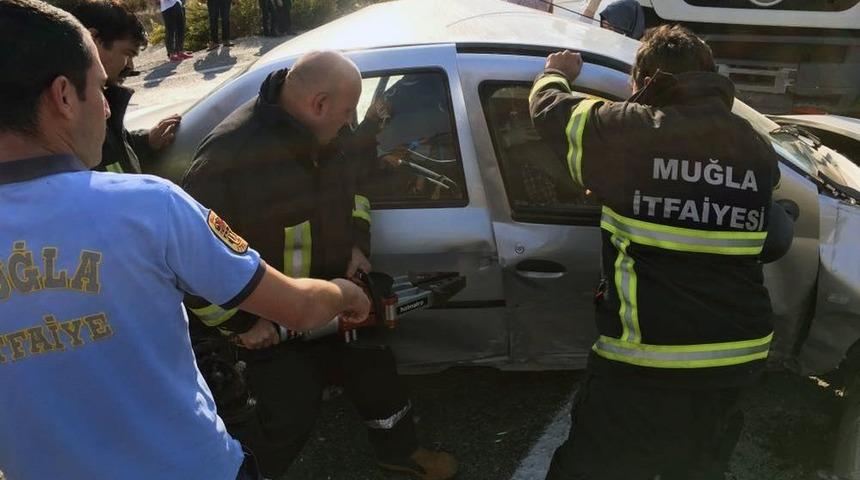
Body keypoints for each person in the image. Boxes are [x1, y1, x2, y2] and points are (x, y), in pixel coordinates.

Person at [0, 3, 369, 479]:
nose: (108, 108)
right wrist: (346, 292)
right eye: (102, 89)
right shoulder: (148, 206)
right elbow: (298, 308)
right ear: (64, 96)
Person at [529, 26, 793, 479]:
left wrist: (554, 73)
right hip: (737, 357)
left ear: (644, 80)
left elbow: (550, 111)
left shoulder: (628, 131)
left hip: (647, 365)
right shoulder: (755, 146)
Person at [181, 51, 459, 480]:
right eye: (347, 111)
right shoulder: (232, 156)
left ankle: (400, 453)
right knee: (289, 412)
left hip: (334, 296)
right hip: (273, 319)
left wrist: (357, 245)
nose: (350, 122)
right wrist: (242, 324)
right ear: (320, 104)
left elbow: (356, 188)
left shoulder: (329, 135)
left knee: (375, 368)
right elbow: (189, 259)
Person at [67, 0, 181, 174]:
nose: (130, 67)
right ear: (93, 40)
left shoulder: (95, 102)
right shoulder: (68, 114)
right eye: (128, 54)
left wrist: (145, 142)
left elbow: (111, 152)